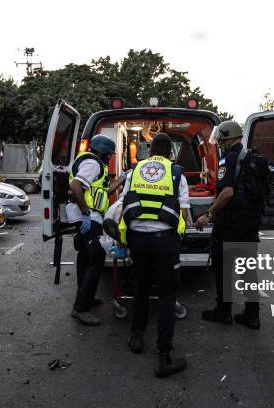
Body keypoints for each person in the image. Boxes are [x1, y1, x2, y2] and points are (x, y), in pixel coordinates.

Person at [119, 133, 190, 378]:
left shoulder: (134, 171)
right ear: (171, 153)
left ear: (149, 152)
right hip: (164, 242)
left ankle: (137, 336)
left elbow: (124, 204)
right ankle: (164, 355)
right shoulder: (176, 173)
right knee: (167, 295)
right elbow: (185, 216)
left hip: (138, 240)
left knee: (140, 287)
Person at [195, 121, 262, 329]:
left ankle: (223, 312)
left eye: (221, 140)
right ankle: (252, 316)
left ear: (227, 139)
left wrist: (208, 214)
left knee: (224, 268)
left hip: (231, 222)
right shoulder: (249, 157)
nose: (220, 144)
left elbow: (228, 192)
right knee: (248, 269)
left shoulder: (228, 158)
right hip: (250, 222)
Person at [68, 134, 126, 326]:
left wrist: (120, 180)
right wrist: (85, 211)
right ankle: (81, 308)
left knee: (85, 257)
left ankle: (85, 297)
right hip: (87, 216)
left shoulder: (95, 166)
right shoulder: (92, 163)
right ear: (102, 152)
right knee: (97, 257)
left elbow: (104, 192)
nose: (110, 158)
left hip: (90, 215)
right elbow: (75, 185)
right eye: (109, 155)